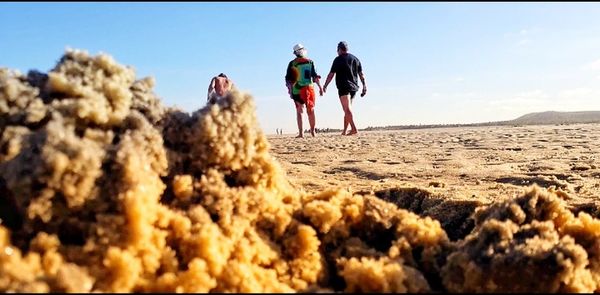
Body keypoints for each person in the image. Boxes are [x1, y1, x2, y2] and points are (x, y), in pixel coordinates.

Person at [323, 41, 367, 136]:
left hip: (344, 86)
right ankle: (345, 131)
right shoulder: (355, 59)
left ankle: (354, 129)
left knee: (346, 109)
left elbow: (331, 75)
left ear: (339, 49)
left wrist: (325, 85)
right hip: (354, 87)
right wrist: (364, 86)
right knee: (348, 109)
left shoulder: (338, 59)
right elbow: (361, 74)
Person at [285, 43, 324, 138]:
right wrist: (320, 87)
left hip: (297, 89)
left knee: (299, 111)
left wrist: (290, 90)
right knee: (311, 110)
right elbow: (315, 76)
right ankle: (313, 131)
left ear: (295, 53)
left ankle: (301, 133)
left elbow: (288, 79)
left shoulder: (292, 63)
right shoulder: (310, 62)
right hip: (308, 88)